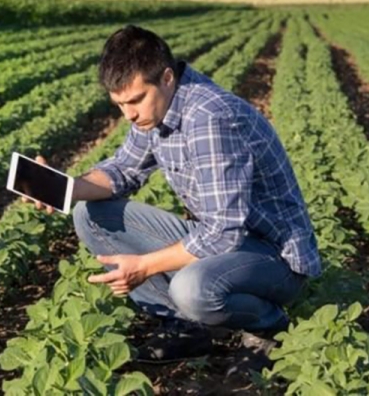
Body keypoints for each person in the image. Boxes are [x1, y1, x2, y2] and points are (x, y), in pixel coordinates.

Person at [24, 24, 321, 376]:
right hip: (226, 244)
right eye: (120, 104)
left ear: (166, 78)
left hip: (274, 258)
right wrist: (64, 187)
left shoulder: (210, 119)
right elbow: (122, 170)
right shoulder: (157, 110)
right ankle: (188, 328)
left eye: (135, 100)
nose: (129, 115)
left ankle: (267, 327)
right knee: (90, 215)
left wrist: (145, 266)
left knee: (191, 288)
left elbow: (224, 234)